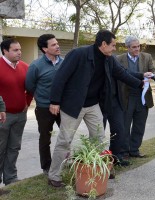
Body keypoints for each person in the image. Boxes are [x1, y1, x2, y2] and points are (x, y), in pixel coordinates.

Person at [47, 30, 146, 187]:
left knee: (99, 139)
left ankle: (101, 168)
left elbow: (122, 73)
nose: (114, 48)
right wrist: (54, 101)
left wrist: (140, 83)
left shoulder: (109, 59)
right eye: (113, 45)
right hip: (73, 105)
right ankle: (54, 176)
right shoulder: (78, 54)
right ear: (104, 44)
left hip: (93, 105)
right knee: (65, 140)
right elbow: (61, 77)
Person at [116, 36, 155, 158]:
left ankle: (134, 150)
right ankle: (124, 151)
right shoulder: (119, 59)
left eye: (138, 46)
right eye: (134, 47)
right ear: (128, 48)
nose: (137, 49)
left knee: (139, 125)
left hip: (142, 97)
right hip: (127, 97)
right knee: (125, 125)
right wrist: (142, 75)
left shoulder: (147, 57)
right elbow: (123, 74)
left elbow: (152, 72)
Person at [25, 34, 63, 175]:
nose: (57, 46)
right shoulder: (36, 66)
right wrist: (43, 99)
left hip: (63, 107)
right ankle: (47, 167)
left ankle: (65, 161)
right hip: (44, 109)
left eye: (57, 43)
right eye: (53, 45)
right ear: (44, 49)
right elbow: (30, 85)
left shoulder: (64, 62)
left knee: (66, 136)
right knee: (45, 138)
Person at [0, 38, 33, 186]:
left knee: (14, 147)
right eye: (15, 50)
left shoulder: (26, 67)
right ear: (5, 51)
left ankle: (10, 178)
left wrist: (26, 102)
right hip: (3, 116)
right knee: (1, 148)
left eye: (20, 49)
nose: (19, 52)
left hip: (20, 115)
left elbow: (31, 87)